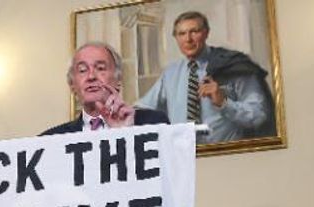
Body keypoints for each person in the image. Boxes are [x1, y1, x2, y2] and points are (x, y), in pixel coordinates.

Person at [135, 11, 275, 144]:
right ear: (176, 38)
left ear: (206, 33)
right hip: (184, 155)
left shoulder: (233, 65)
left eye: (194, 32)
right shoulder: (171, 73)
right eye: (182, 33)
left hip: (228, 154)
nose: (188, 39)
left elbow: (259, 116)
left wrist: (223, 102)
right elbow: (145, 107)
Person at [41, 42, 169, 135]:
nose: (91, 76)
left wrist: (126, 134)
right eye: (82, 70)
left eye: (100, 68)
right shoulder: (50, 140)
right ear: (72, 86)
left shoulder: (154, 123)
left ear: (118, 80)